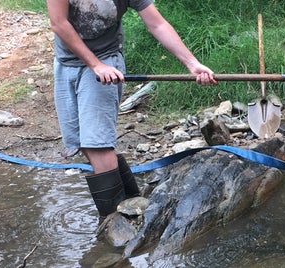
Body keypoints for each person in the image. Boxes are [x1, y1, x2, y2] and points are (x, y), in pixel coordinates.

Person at [46, 0, 217, 221]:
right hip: (66, 62)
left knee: (97, 145)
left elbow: (157, 24)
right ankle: (133, 204)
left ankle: (116, 222)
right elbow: (58, 23)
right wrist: (94, 64)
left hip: (107, 60)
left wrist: (192, 64)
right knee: (81, 142)